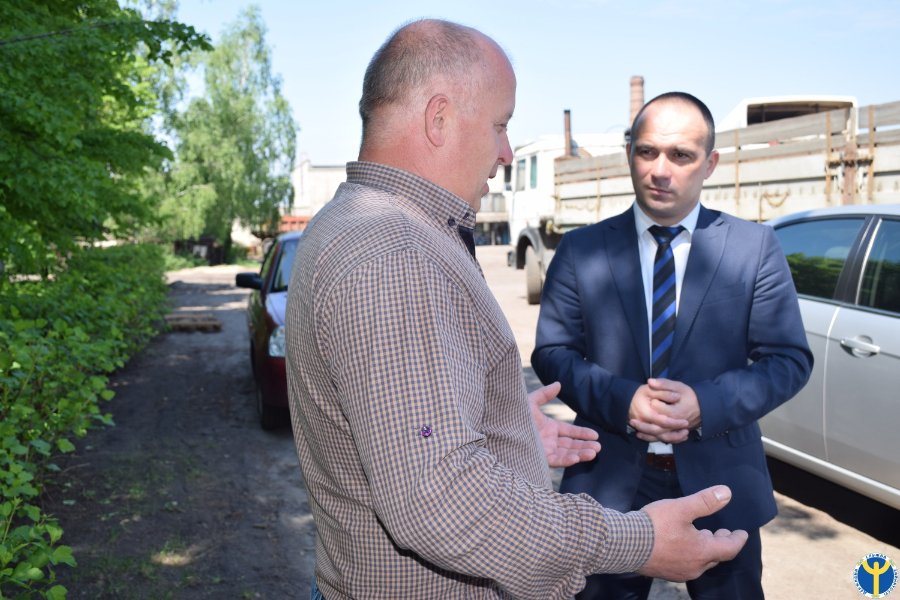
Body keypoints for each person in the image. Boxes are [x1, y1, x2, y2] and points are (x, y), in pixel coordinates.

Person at [285, 21, 748, 600]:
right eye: (500, 125)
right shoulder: (396, 251)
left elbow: (406, 442)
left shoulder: (354, 221)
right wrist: (638, 540)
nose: (505, 153)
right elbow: (443, 501)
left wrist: (497, 429)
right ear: (438, 118)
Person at [531, 91, 814, 600]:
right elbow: (552, 352)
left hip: (721, 483)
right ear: (630, 154)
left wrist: (706, 403)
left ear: (710, 164)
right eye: (647, 152)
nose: (660, 170)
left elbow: (788, 359)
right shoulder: (581, 250)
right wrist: (624, 401)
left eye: (681, 155)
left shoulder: (753, 248)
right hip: (610, 485)